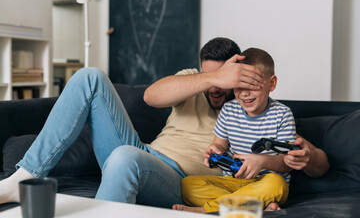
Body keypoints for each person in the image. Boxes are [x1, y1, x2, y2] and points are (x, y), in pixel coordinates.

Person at [0, 37, 266, 207]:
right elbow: (151, 96)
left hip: (178, 181)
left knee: (126, 157)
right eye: (212, 78)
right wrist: (213, 78)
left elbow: (275, 162)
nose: (216, 89)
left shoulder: (249, 105)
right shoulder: (194, 81)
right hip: (143, 153)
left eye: (224, 79)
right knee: (89, 77)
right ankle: (25, 177)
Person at [173, 47, 297, 214]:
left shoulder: (282, 114)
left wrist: (261, 162)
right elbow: (219, 144)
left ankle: (206, 209)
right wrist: (215, 150)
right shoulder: (228, 109)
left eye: (252, 85)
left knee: (277, 185)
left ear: (271, 83)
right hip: (232, 182)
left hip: (264, 181)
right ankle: (257, 204)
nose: (245, 93)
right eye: (239, 86)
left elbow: (286, 163)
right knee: (187, 184)